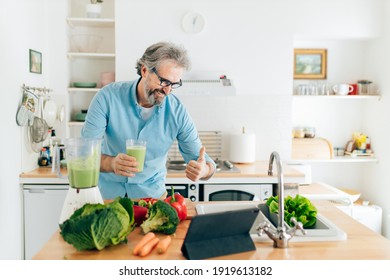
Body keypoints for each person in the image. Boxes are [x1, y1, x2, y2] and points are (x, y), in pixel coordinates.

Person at [81, 42, 216, 200]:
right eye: (164, 81)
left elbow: (203, 160)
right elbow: (84, 154)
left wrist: (203, 171)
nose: (167, 90)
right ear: (144, 70)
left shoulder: (177, 111)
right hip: (108, 198)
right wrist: (110, 164)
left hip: (152, 200)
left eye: (174, 84)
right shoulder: (107, 97)